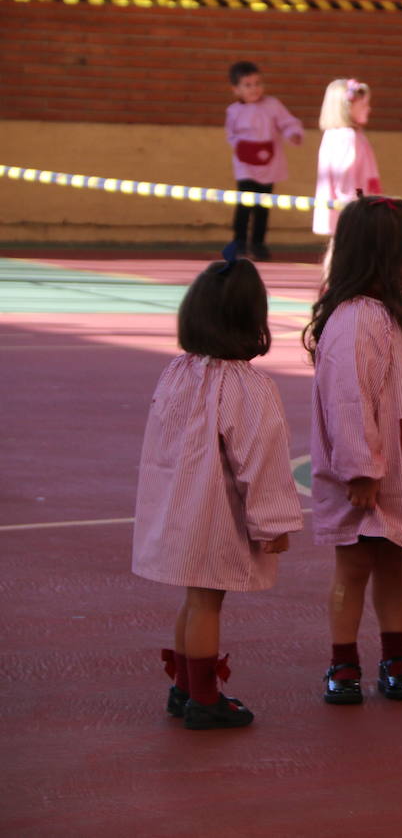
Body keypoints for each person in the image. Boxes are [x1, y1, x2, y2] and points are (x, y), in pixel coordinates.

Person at [132, 249, 300, 730]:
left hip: (178, 504)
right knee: (208, 599)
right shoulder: (249, 386)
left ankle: (184, 686)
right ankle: (204, 699)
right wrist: (274, 523)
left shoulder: (178, 372)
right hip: (215, 510)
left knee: (193, 598)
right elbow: (261, 459)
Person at [304, 196, 402, 705]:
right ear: (390, 252)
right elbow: (348, 400)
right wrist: (360, 470)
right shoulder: (357, 318)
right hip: (365, 470)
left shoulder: (396, 314)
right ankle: (343, 662)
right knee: (354, 566)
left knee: (393, 562)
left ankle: (396, 656)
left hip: (399, 461)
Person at [223, 61, 303, 260]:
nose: (254, 88)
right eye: (248, 85)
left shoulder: (272, 105)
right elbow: (231, 135)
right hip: (245, 164)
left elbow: (287, 123)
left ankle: (258, 244)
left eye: (257, 83)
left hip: (268, 163)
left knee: (263, 205)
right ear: (236, 89)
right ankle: (239, 241)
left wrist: (293, 133)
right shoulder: (233, 111)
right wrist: (243, 149)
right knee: (244, 203)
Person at [313, 78, 380, 238]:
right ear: (347, 108)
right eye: (363, 105)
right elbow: (346, 180)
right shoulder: (347, 137)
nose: (369, 109)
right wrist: (356, 203)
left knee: (339, 247)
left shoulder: (341, 134)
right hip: (351, 208)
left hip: (352, 206)